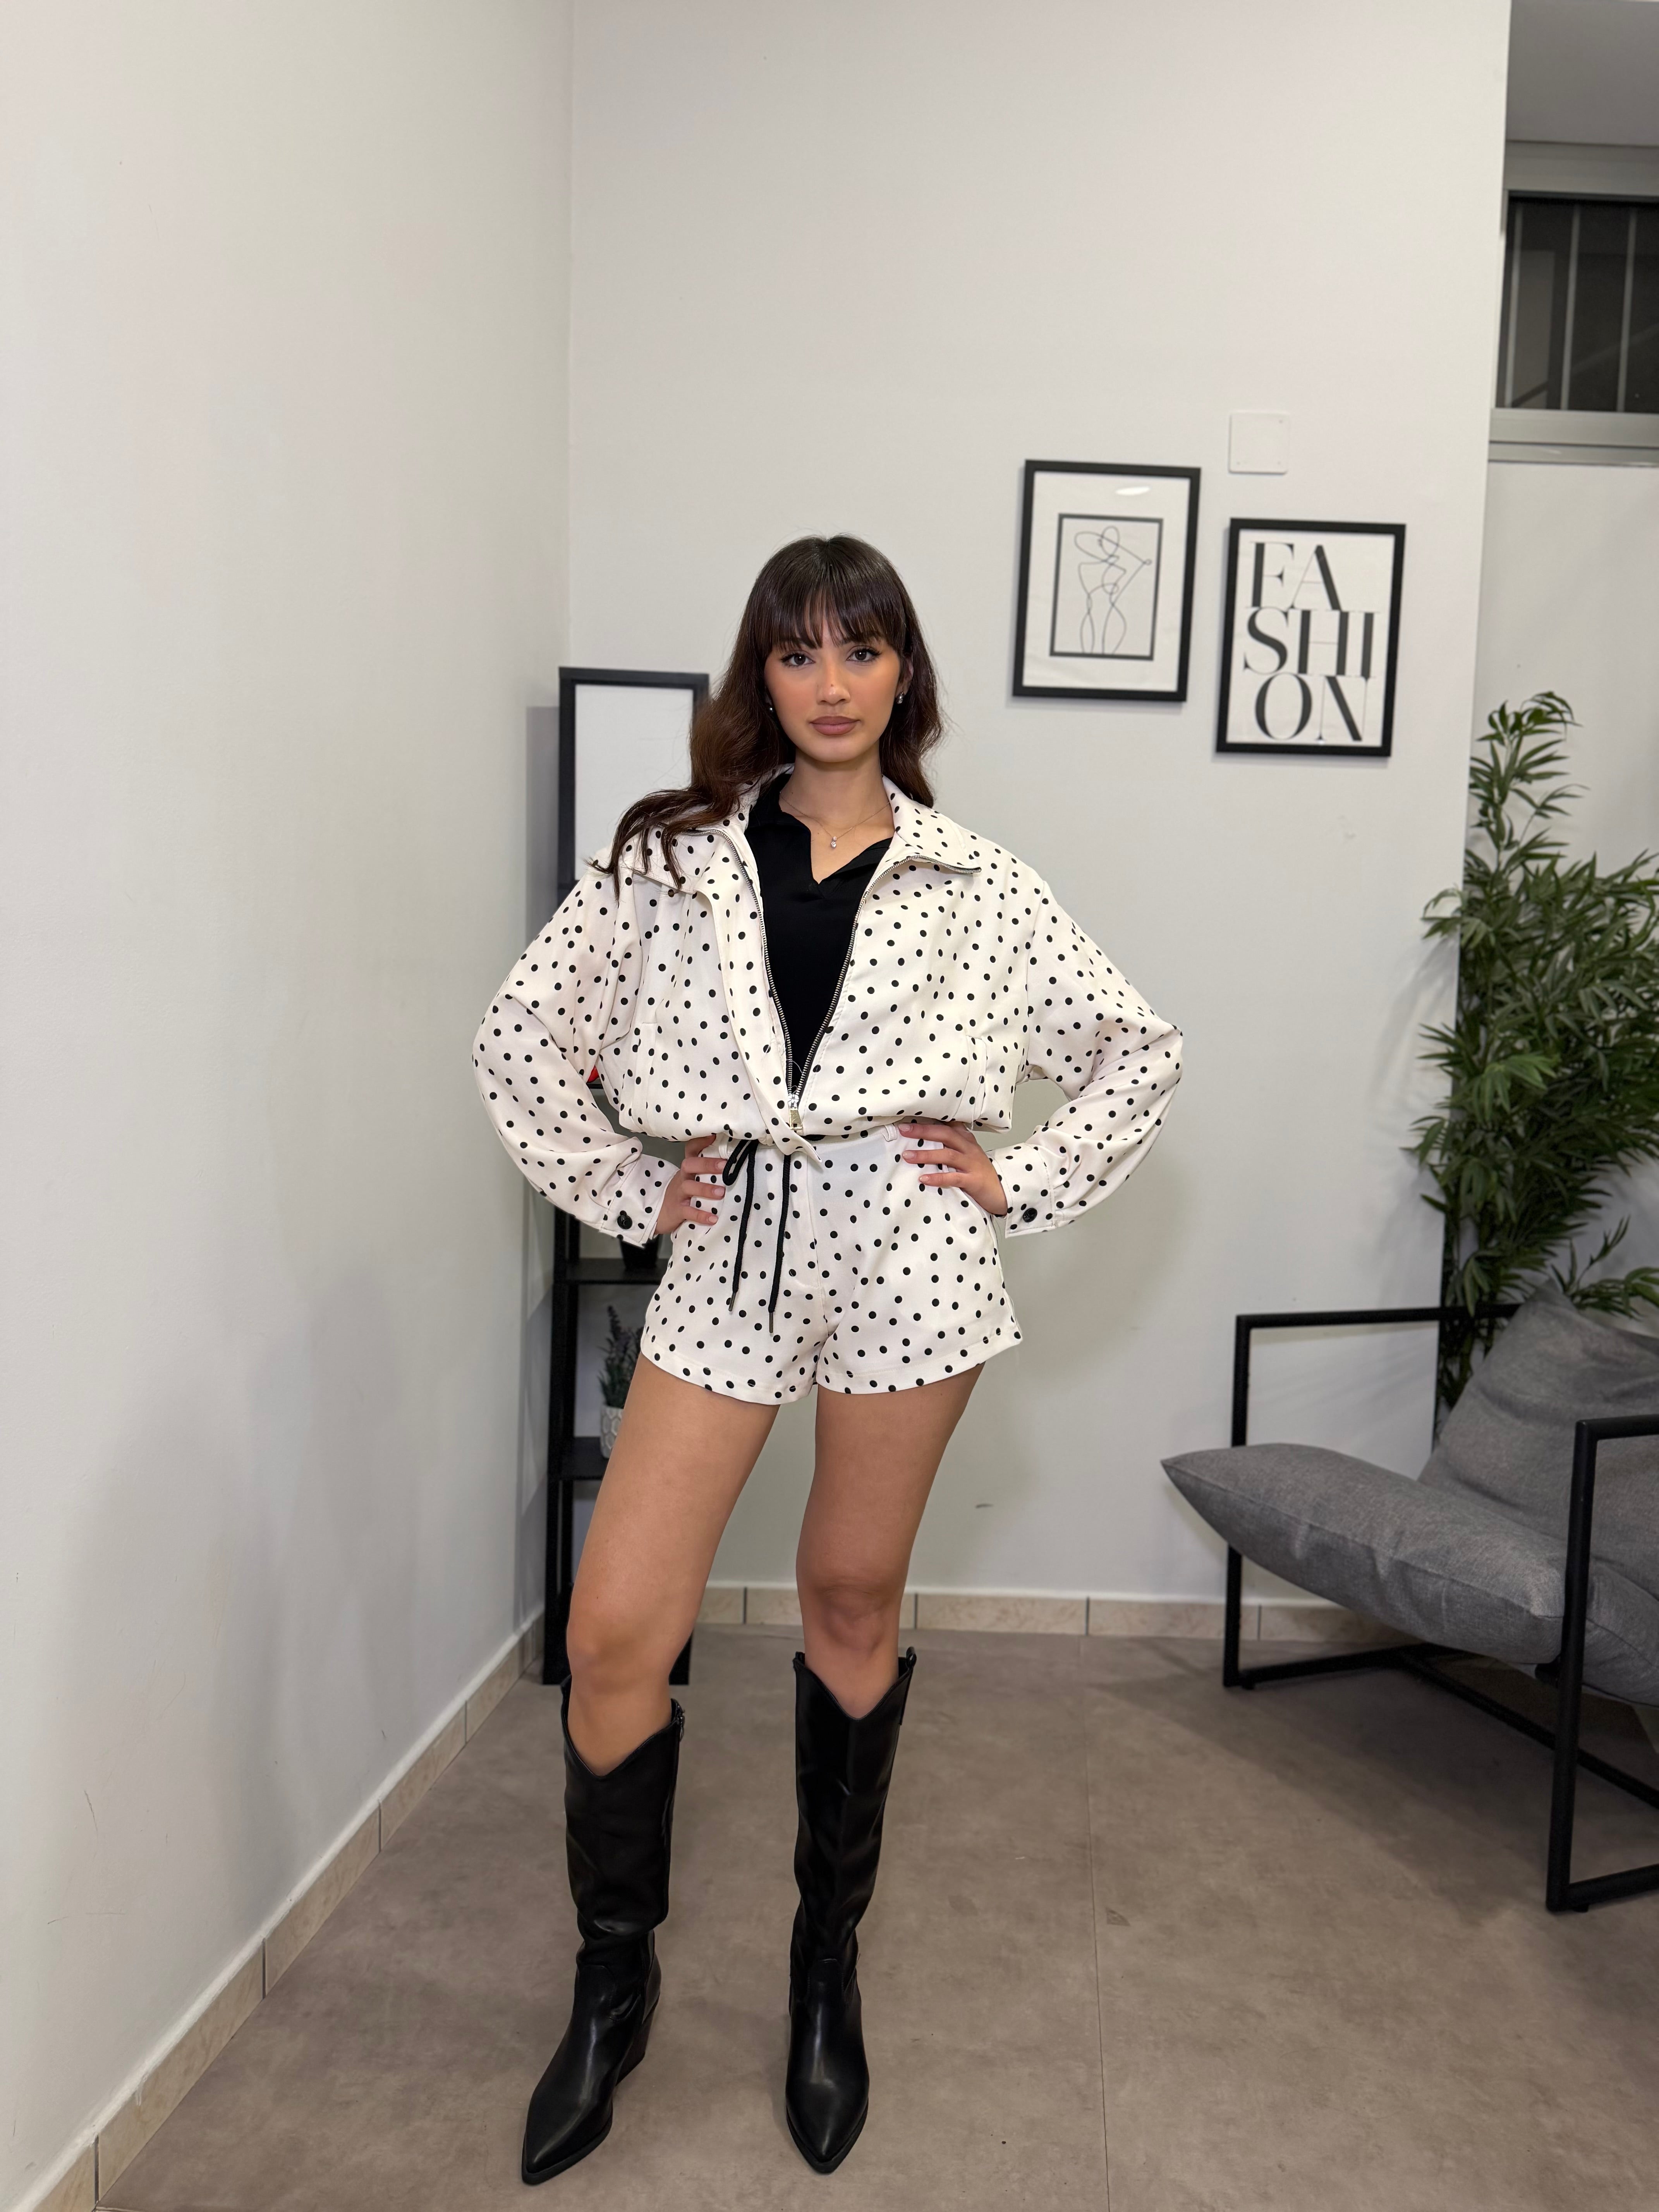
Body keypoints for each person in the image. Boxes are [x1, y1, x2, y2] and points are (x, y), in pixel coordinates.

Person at [473, 535, 1182, 2184]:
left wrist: (1020, 1179)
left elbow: (1134, 1052)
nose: (833, 682)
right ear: (762, 677)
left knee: (852, 1601)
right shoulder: (668, 861)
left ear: (905, 673)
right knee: (614, 1628)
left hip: (908, 1251)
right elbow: (522, 1041)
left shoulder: (980, 886)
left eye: (863, 648)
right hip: (731, 1245)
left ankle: (822, 1973)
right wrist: (632, 1187)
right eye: (798, 652)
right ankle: (613, 1983)